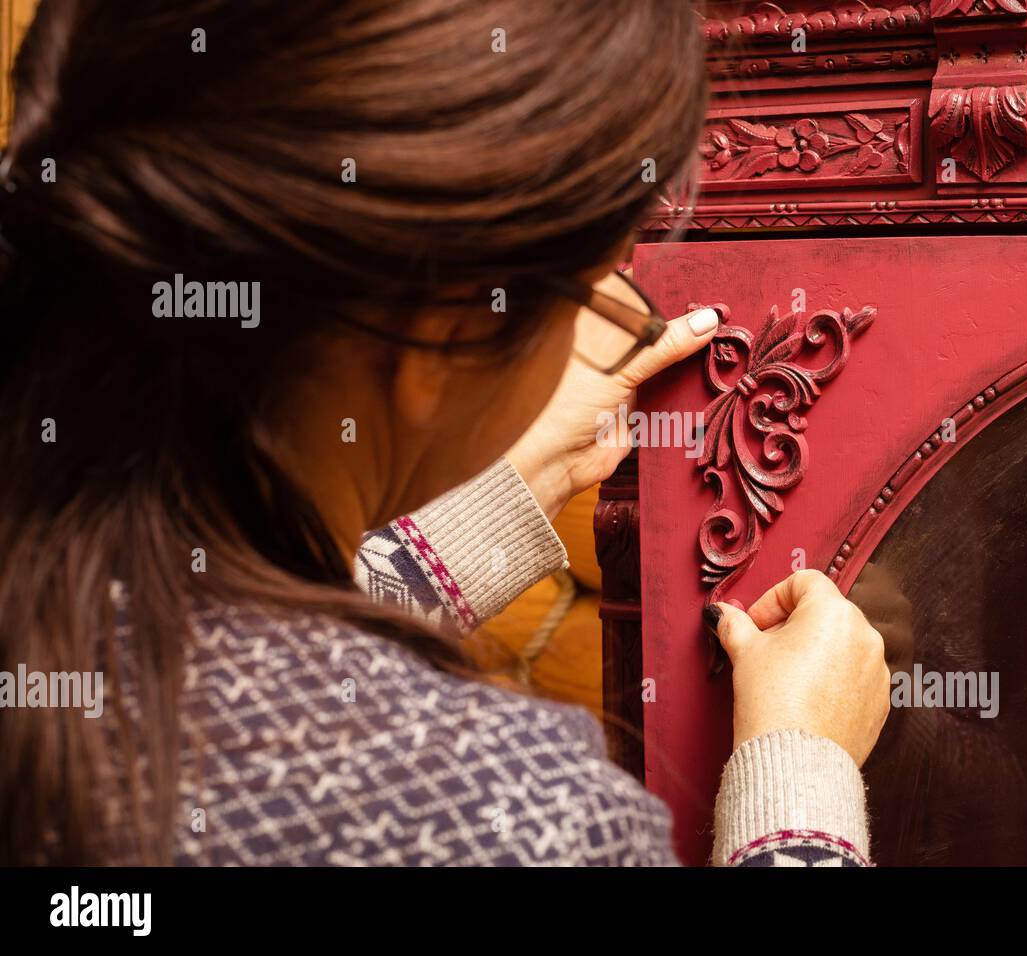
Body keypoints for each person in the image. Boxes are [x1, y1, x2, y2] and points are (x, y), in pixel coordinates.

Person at [0, 0, 891, 866]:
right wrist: (798, 787)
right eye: (592, 291)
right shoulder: (512, 817)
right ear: (448, 336)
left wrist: (494, 504)